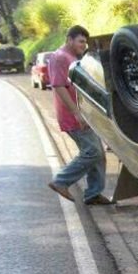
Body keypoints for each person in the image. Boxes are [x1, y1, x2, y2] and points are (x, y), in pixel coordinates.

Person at [46, 25, 112, 205]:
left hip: (84, 113)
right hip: (73, 116)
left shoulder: (73, 57)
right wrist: (77, 113)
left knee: (98, 154)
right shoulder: (59, 58)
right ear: (69, 39)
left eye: (85, 42)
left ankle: (93, 194)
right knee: (92, 152)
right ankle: (61, 181)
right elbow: (58, 86)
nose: (84, 45)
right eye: (81, 41)